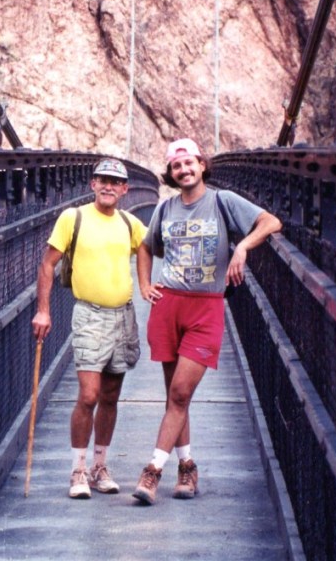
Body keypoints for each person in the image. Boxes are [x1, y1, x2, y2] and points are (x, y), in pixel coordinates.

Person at [133, 138, 282, 505]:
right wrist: (145, 284)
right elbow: (146, 247)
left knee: (180, 393)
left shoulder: (222, 201)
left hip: (206, 308)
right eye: (176, 166)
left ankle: (152, 471)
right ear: (171, 173)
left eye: (189, 163)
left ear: (202, 165)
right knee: (176, 396)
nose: (184, 170)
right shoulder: (165, 209)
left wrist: (242, 246)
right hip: (168, 305)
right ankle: (187, 468)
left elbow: (271, 221)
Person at [32, 158, 146, 499]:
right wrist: (43, 311)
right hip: (89, 316)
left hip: (124, 317)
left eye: (115, 181)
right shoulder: (74, 218)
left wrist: (145, 283)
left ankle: (100, 467)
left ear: (125, 189)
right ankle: (77, 470)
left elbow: (149, 247)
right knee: (89, 395)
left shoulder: (130, 223)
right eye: (102, 180)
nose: (108, 186)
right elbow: (48, 264)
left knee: (110, 396)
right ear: (92, 184)